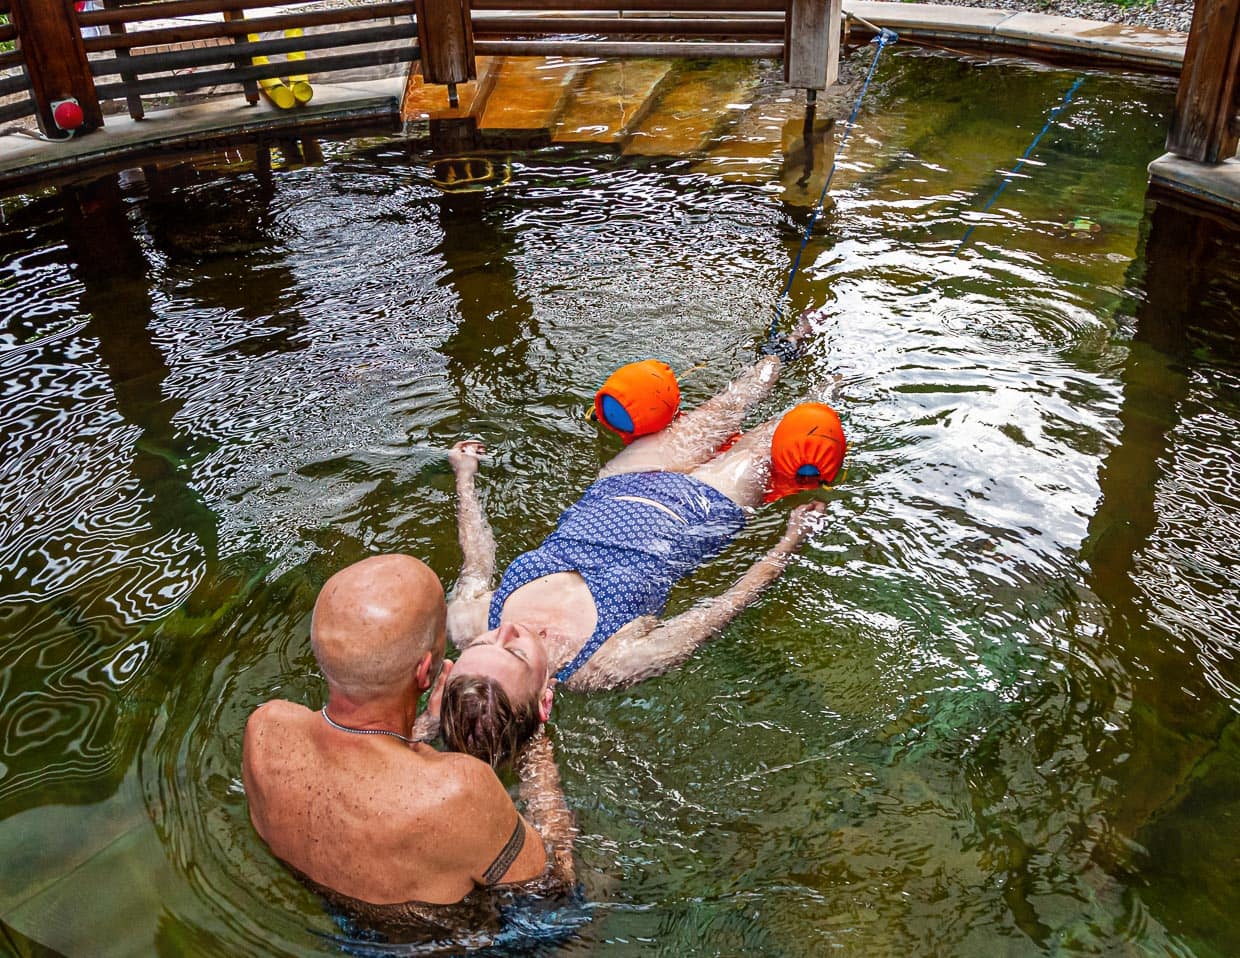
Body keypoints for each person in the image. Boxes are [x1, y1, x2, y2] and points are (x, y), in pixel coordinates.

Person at [440, 326, 843, 766]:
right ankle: (838, 378)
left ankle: (788, 347)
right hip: (703, 509)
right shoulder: (609, 663)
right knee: (791, 430)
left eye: (483, 646)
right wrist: (790, 540)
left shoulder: (470, 621)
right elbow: (725, 607)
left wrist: (464, 476)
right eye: (516, 652)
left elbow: (476, 559)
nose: (506, 632)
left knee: (733, 401)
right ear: (544, 698)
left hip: (625, 480)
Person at [242, 554, 574, 935]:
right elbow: (554, 887)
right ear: (426, 673)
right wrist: (536, 753)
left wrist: (422, 728)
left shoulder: (265, 731)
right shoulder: (459, 791)